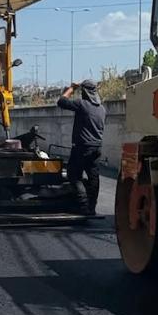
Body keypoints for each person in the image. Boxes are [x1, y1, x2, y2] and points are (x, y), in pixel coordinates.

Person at [57, 79, 106, 215]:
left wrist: (72, 88)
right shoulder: (102, 109)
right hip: (96, 147)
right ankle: (92, 208)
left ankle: (83, 206)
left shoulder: (82, 104)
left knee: (74, 175)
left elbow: (61, 101)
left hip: (82, 147)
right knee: (93, 178)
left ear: (84, 92)